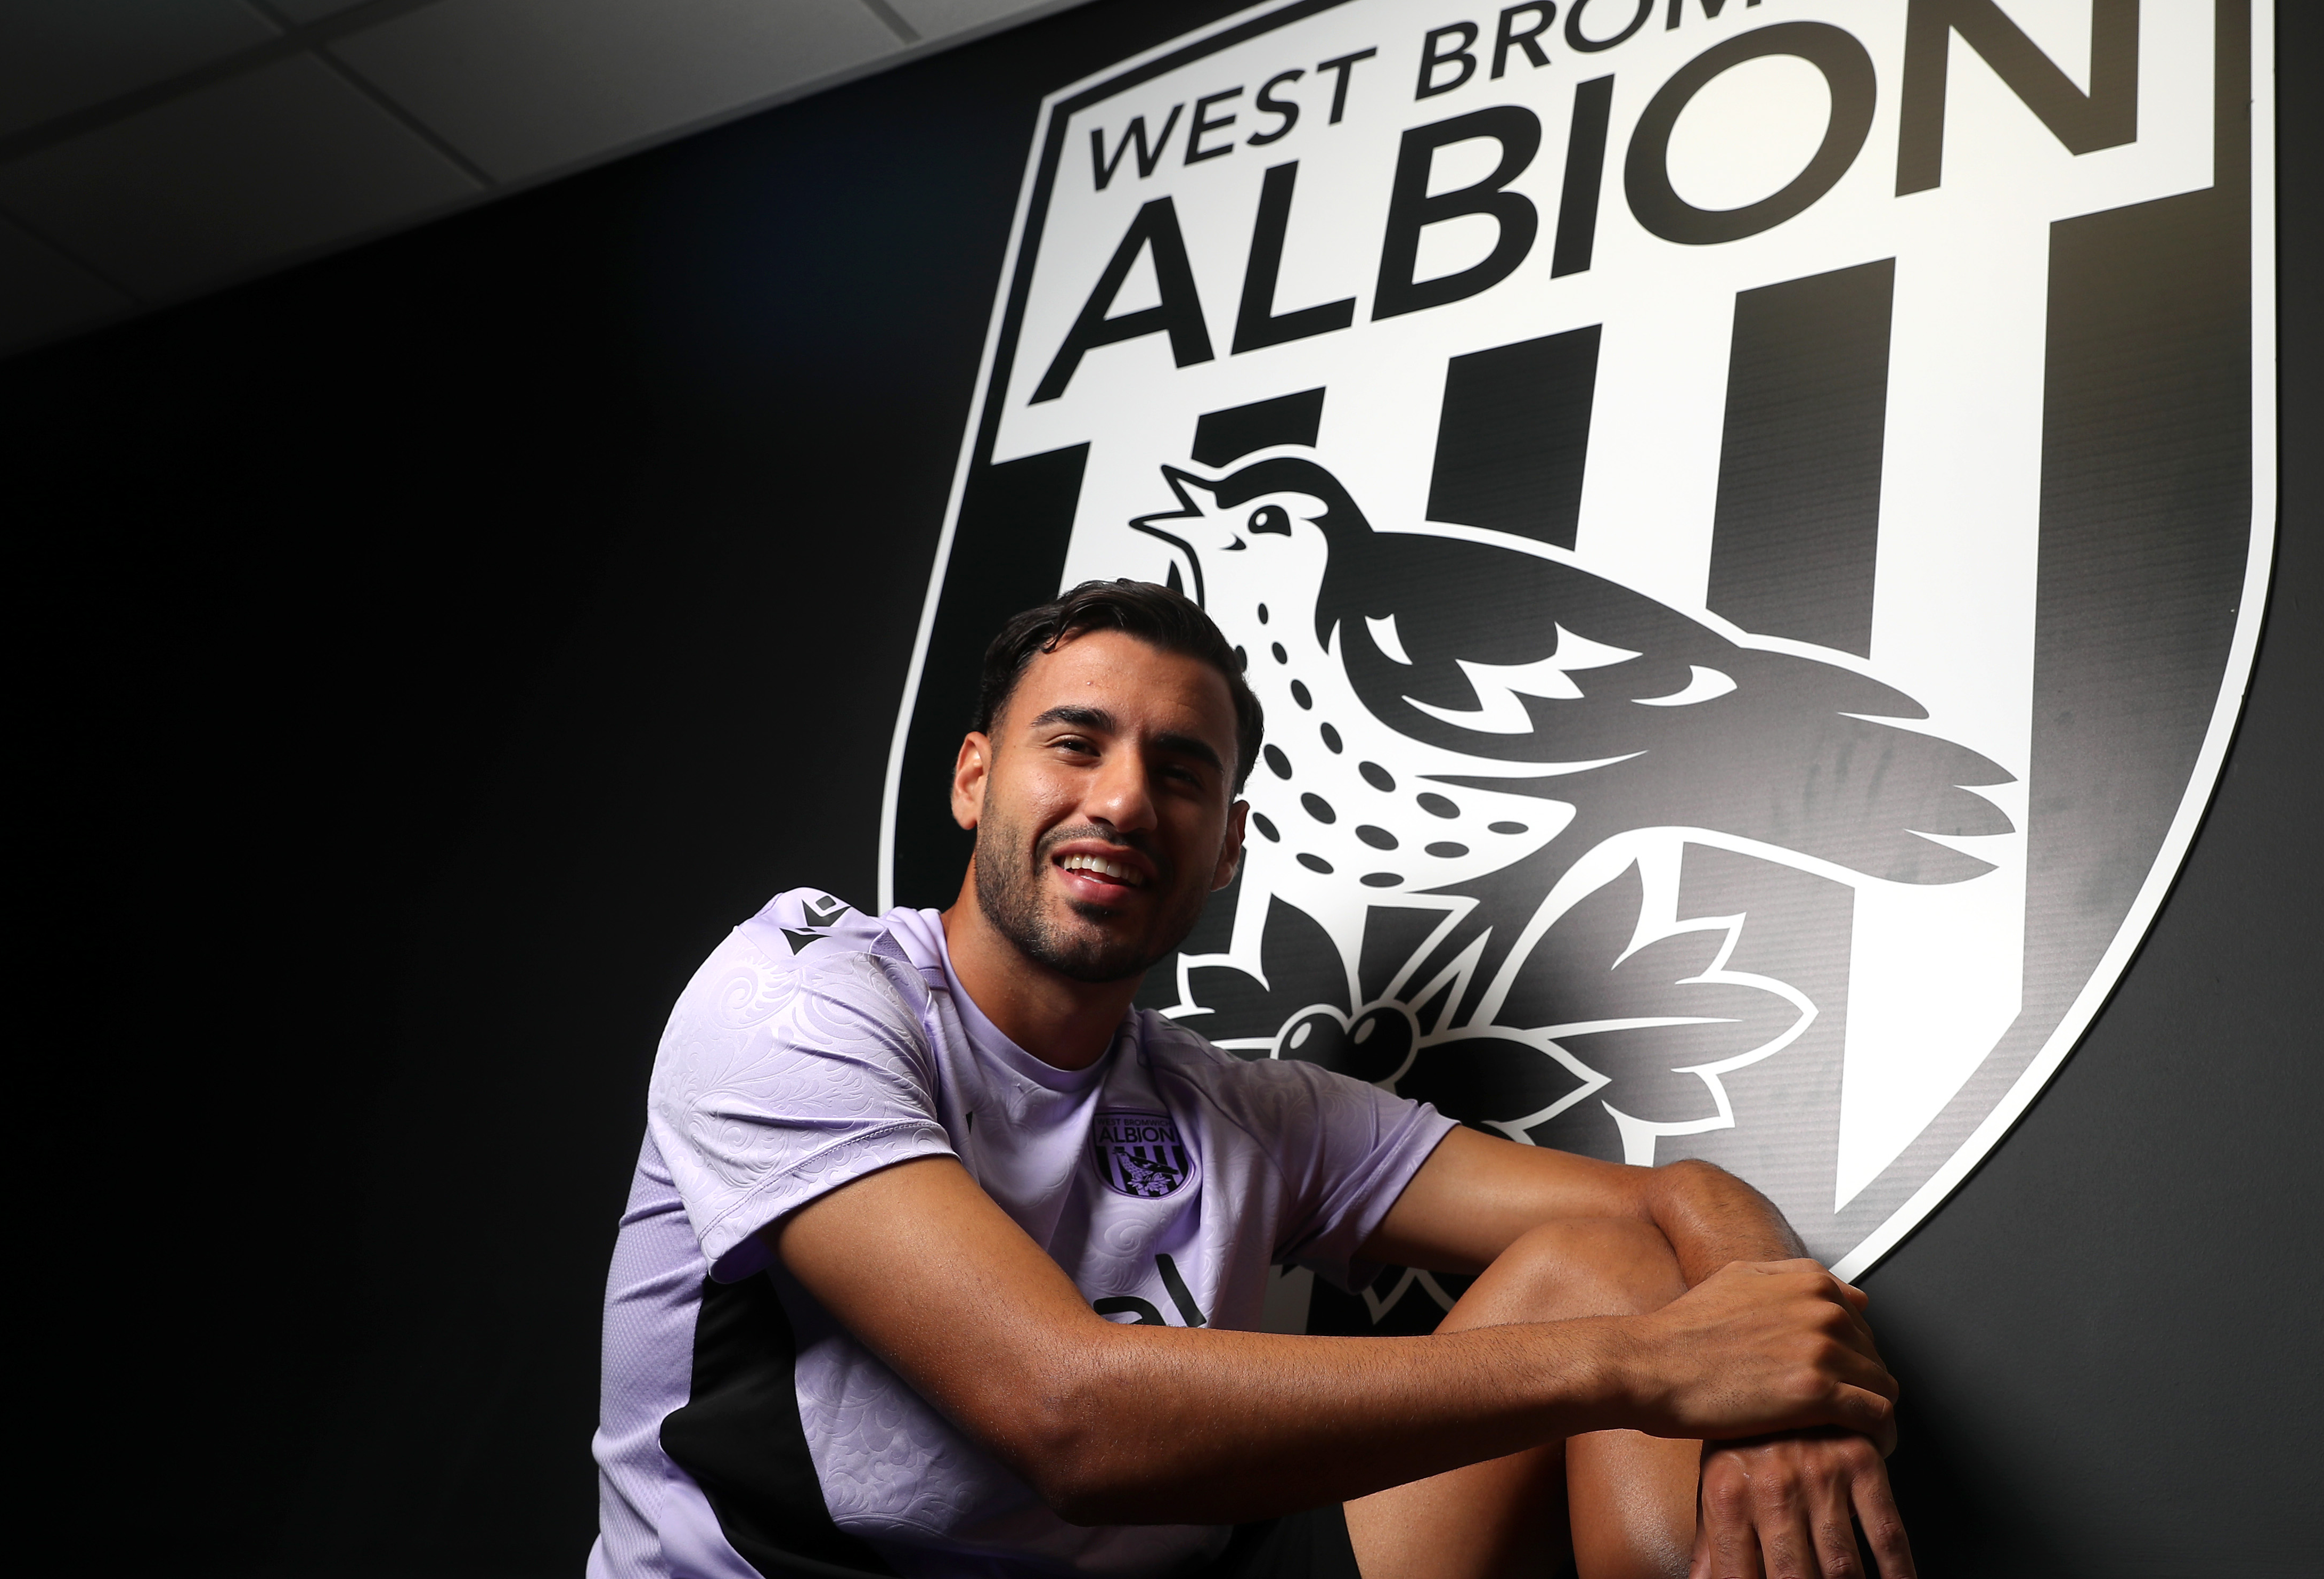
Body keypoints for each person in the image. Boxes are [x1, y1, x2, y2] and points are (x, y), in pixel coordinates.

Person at [592, 579, 1913, 1579]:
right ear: (973, 777)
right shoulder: (800, 998)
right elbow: (1070, 1415)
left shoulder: (1237, 1106)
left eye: (1180, 771)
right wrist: (1653, 1367)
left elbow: (1665, 1201)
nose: (1121, 801)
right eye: (1076, 743)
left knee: (1614, 1263)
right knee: (1636, 1328)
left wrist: (1778, 1387)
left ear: (1226, 846)